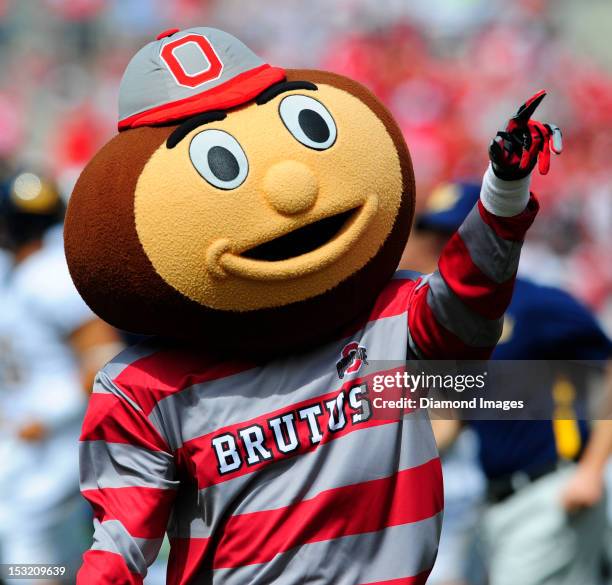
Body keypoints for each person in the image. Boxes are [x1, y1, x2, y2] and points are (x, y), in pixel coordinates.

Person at [64, 27, 561, 584]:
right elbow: (120, 545)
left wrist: (503, 193)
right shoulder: (144, 389)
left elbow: (469, 315)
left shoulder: (390, 318)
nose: (292, 191)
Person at [402, 181, 612, 585]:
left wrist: (590, 470)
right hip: (495, 508)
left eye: (456, 236)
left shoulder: (534, 303)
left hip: (551, 494)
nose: (445, 248)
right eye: (440, 236)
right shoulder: (454, 327)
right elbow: (451, 420)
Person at [0, 170, 123, 583]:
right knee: (44, 551)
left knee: (27, 548)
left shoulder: (47, 274)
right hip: (28, 442)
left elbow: (104, 360)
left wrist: (48, 417)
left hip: (60, 440)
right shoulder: (16, 274)